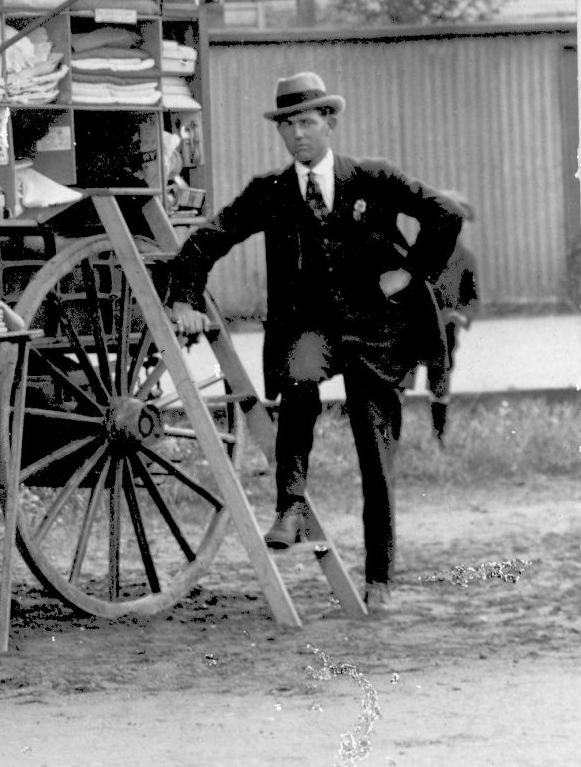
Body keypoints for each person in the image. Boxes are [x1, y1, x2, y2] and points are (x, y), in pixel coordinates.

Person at [165, 72, 462, 611]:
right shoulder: (271, 193)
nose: (298, 135)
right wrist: (183, 297)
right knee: (300, 375)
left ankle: (380, 578)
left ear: (329, 123)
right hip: (314, 331)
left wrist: (408, 274)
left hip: (379, 335)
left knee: (375, 455)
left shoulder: (373, 178)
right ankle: (291, 505)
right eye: (288, 126)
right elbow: (213, 235)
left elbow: (445, 215)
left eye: (307, 122)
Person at [420, 193, 480, 443]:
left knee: (440, 378)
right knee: (399, 377)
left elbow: (472, 299)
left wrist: (461, 315)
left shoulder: (465, 259)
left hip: (445, 330)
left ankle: (438, 435)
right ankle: (390, 437)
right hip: (415, 326)